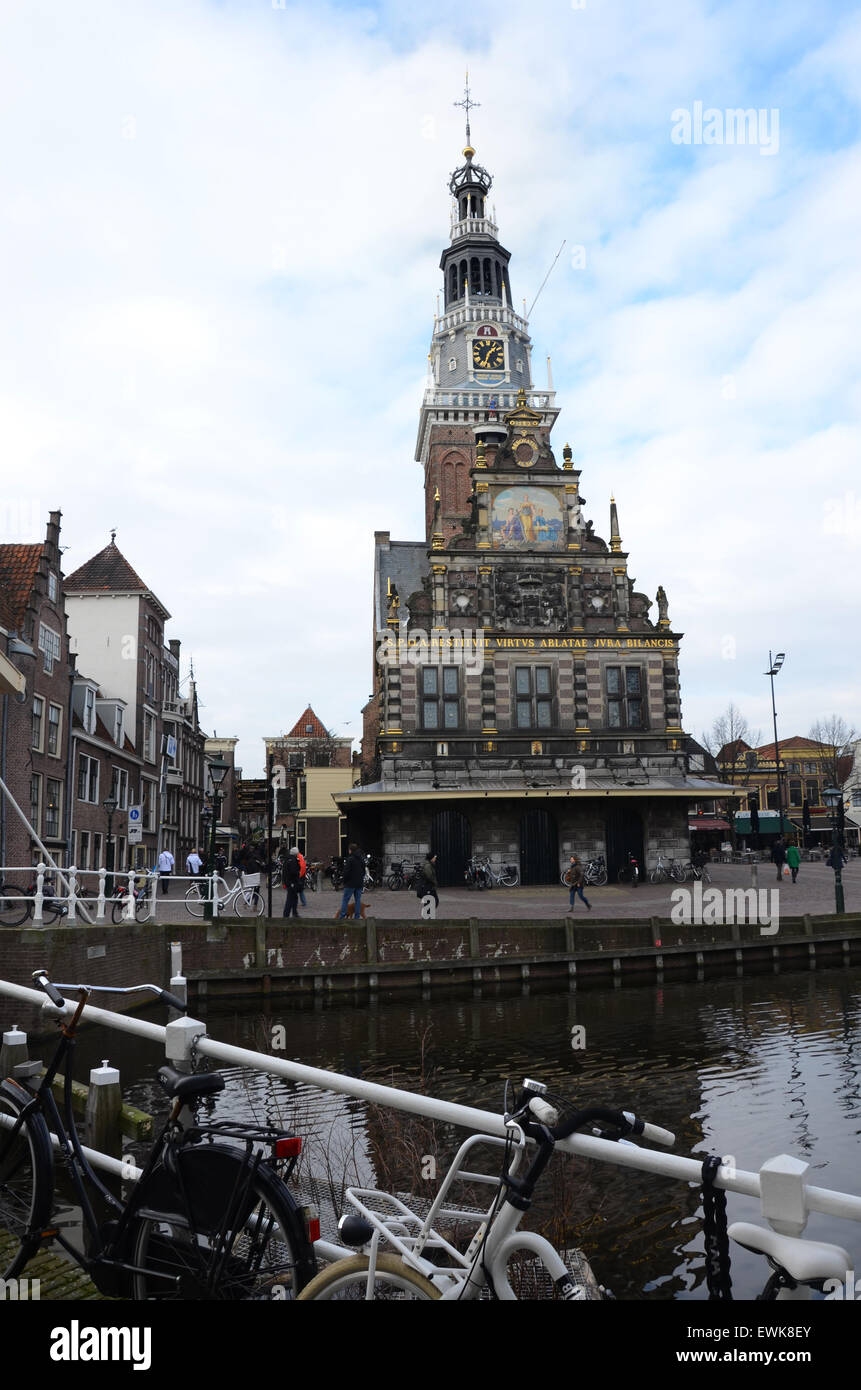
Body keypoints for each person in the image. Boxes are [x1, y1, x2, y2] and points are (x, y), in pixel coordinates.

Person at [338, 843, 365, 921]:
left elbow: (346, 872)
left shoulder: (350, 859)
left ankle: (342, 917)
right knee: (357, 901)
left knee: (345, 900)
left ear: (350, 850)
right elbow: (363, 871)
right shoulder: (361, 859)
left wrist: (344, 881)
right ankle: (357, 917)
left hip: (350, 884)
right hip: (359, 884)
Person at [282, 848, 302, 919]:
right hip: (292, 882)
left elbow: (284, 871)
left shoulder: (287, 859)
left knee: (294, 897)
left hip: (288, 882)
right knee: (290, 898)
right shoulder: (293, 860)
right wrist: (298, 873)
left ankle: (294, 913)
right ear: (296, 854)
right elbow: (293, 871)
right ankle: (286, 915)